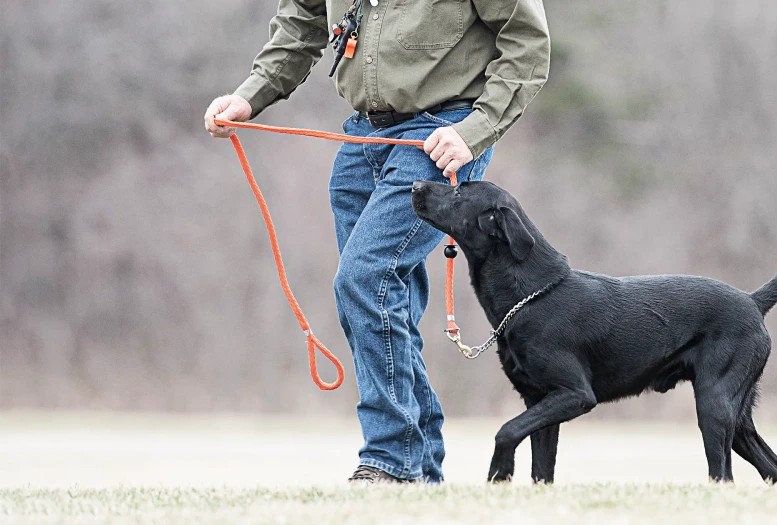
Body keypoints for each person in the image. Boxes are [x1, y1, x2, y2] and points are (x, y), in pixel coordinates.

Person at [203, 0, 550, 483]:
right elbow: (303, 20)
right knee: (385, 304)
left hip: (438, 139)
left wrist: (474, 131)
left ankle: (390, 461)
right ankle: (421, 469)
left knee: (364, 281)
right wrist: (250, 95)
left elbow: (527, 42)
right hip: (361, 141)